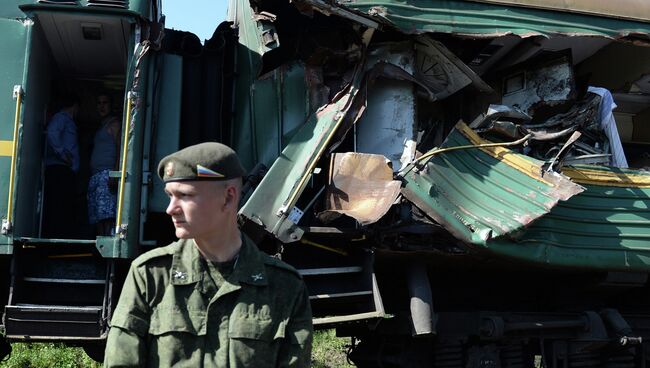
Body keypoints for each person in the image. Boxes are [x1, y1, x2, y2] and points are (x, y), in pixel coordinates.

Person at [104, 142, 313, 367]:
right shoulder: (151, 276)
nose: (170, 208)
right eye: (170, 196)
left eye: (185, 195)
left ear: (228, 197)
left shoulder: (284, 286)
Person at [42, 93, 80, 238]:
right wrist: (63, 154)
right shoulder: (62, 118)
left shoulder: (65, 120)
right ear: (75, 106)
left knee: (62, 206)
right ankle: (56, 238)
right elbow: (51, 133)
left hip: (64, 171)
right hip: (59, 170)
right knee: (59, 207)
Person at [87, 93, 121, 236]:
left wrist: (114, 173)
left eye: (105, 102)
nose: (102, 106)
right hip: (96, 175)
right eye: (99, 103)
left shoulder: (114, 124)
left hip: (106, 175)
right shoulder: (102, 125)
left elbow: (120, 150)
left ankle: (108, 252)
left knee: (106, 216)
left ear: (111, 105)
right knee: (97, 217)